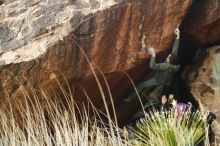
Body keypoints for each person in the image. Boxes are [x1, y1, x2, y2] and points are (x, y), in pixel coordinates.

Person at [124, 28, 180, 103]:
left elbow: (152, 66)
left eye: (168, 57)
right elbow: (175, 49)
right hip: (167, 80)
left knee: (141, 85)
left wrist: (153, 55)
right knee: (166, 92)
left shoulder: (165, 65)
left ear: (169, 61)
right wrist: (178, 36)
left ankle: (131, 98)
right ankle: (168, 102)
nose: (168, 55)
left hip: (158, 80)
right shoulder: (174, 62)